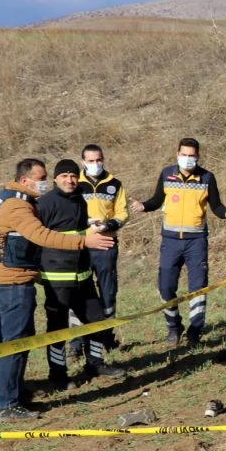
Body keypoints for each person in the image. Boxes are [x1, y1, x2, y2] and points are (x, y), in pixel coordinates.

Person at [0, 159, 116, 420]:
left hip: (16, 280)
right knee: (15, 343)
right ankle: (4, 405)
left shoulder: (16, 198)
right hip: (11, 284)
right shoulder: (17, 205)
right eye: (42, 177)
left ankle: (15, 395)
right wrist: (84, 241)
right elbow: (42, 236)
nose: (46, 181)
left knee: (20, 341)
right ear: (25, 180)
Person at [130, 138, 226, 345]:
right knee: (166, 287)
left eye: (192, 156)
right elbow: (157, 200)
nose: (187, 159)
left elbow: (216, 205)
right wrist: (144, 206)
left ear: (198, 157)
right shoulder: (166, 174)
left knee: (198, 288)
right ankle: (173, 327)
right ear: (177, 154)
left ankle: (195, 332)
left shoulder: (207, 178)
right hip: (170, 241)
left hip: (196, 241)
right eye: (184, 155)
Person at [34, 160, 122, 385]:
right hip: (57, 278)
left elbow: (80, 234)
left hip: (82, 276)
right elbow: (37, 238)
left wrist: (90, 231)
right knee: (57, 328)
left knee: (96, 320)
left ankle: (95, 363)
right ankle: (58, 375)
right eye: (64, 176)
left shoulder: (80, 200)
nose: (70, 180)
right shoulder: (44, 204)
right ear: (55, 179)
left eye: (73, 176)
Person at [77, 143, 127, 348]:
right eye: (90, 161)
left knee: (108, 291)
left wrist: (108, 225)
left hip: (106, 243)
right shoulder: (74, 183)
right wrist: (85, 223)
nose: (95, 164)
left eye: (98, 160)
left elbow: (123, 212)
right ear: (83, 162)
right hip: (81, 244)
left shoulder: (114, 183)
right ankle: (77, 342)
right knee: (79, 292)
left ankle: (107, 336)